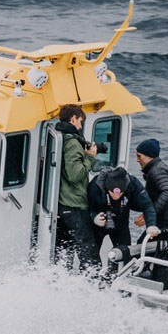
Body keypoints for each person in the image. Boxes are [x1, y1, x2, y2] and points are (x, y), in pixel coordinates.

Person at [54, 104, 100, 269]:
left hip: (63, 203)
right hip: (74, 204)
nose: (80, 127)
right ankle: (92, 280)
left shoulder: (61, 137)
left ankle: (60, 276)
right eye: (80, 121)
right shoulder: (73, 143)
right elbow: (75, 175)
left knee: (63, 246)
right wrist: (91, 157)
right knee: (88, 249)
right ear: (73, 119)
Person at [88, 165, 158, 252]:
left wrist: (151, 225)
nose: (116, 196)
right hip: (98, 225)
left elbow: (147, 205)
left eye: (120, 193)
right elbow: (87, 208)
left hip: (120, 222)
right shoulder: (95, 185)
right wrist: (94, 217)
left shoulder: (133, 183)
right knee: (91, 253)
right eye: (112, 193)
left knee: (124, 253)